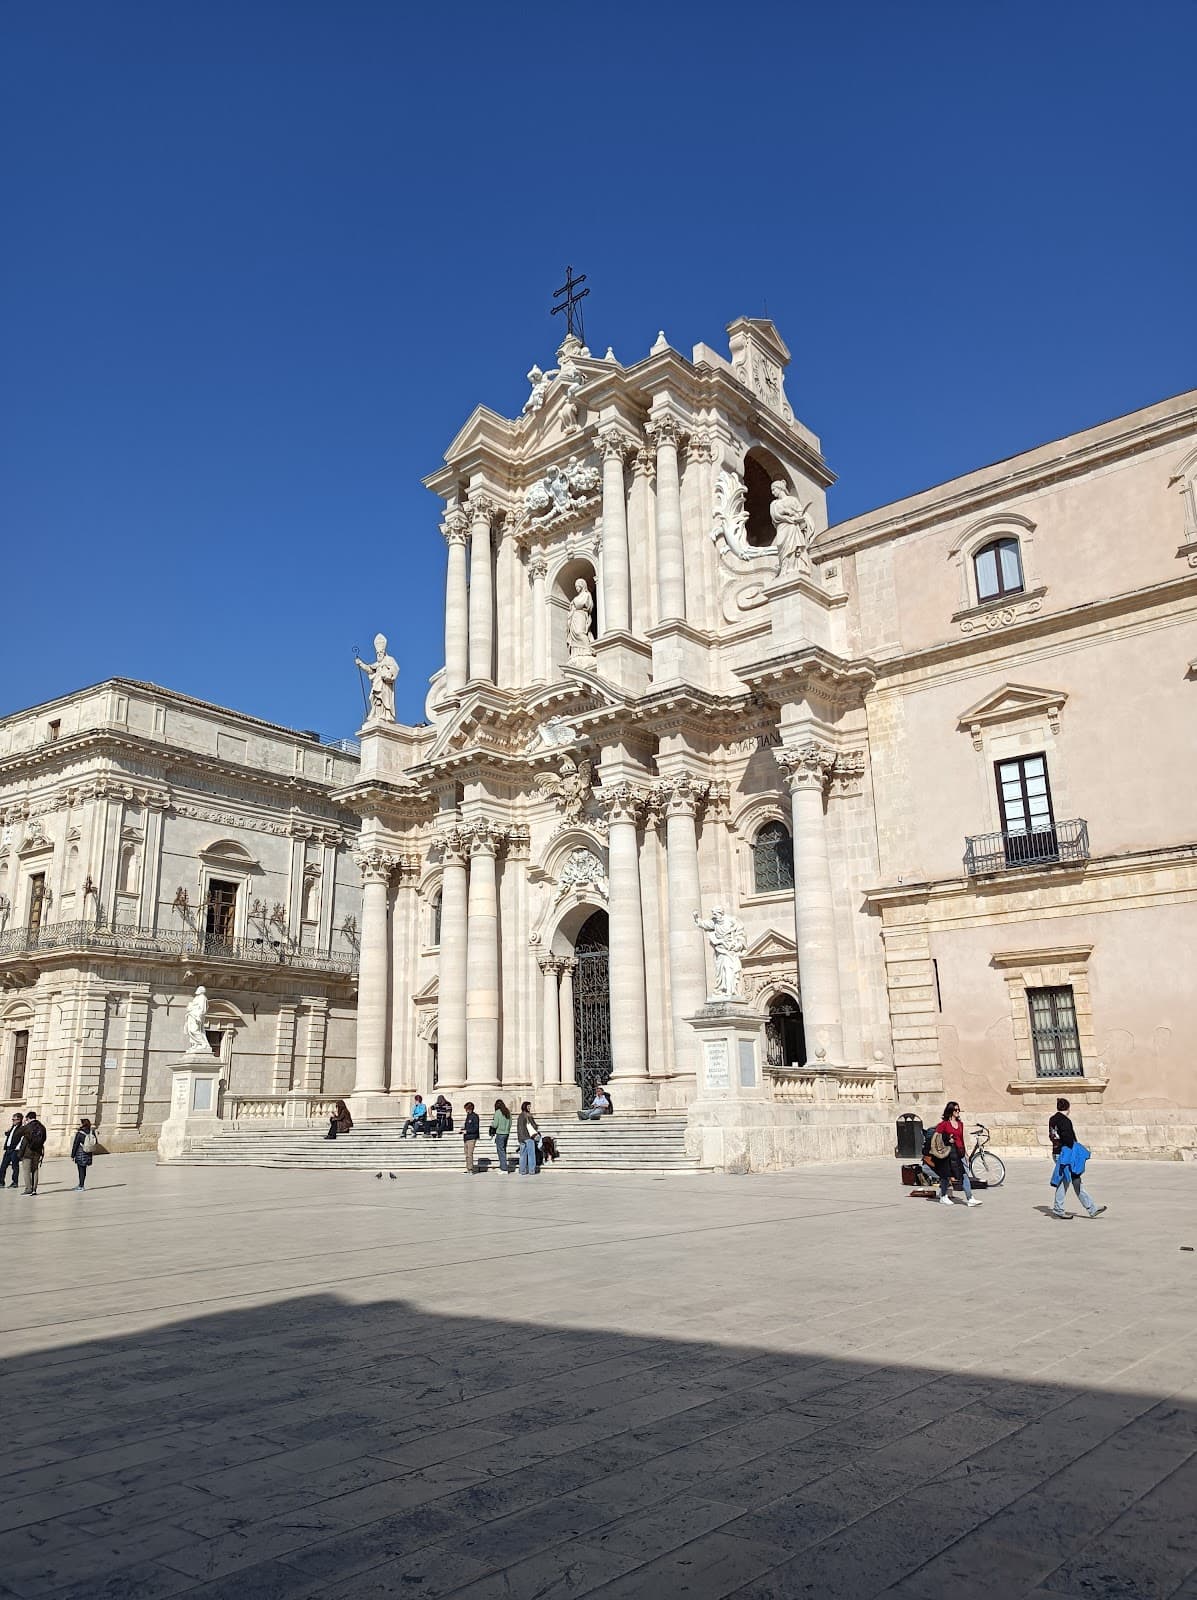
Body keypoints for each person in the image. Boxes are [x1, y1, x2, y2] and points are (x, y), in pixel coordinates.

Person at [1049, 1098, 1106, 1219]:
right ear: (1068, 1108)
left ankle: (1092, 1208)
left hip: (1056, 1152)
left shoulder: (1052, 1119)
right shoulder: (1065, 1121)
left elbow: (1052, 1135)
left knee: (1075, 1180)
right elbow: (1069, 1140)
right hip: (1066, 1155)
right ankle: (1058, 1209)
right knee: (1066, 1181)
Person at [931, 1100, 982, 1208]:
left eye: (959, 1109)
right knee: (946, 1176)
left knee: (964, 1175)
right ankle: (943, 1196)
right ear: (950, 1111)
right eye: (955, 1109)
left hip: (959, 1153)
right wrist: (947, 1140)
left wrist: (966, 1154)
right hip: (948, 1154)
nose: (958, 1111)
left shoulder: (960, 1124)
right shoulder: (943, 1124)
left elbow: (961, 1139)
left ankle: (970, 1198)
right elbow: (937, 1138)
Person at [17, 1111, 47, 1197]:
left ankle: (28, 1189)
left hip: (27, 1152)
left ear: (28, 1118)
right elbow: (44, 1139)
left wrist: (23, 1124)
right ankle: (34, 1189)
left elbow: (18, 1133)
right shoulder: (42, 1127)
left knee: (26, 1171)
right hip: (37, 1152)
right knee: (35, 1170)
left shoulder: (27, 1127)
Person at [70, 1118, 96, 1190]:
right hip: (88, 1153)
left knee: (81, 1170)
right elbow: (95, 1142)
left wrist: (73, 1155)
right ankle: (81, 1184)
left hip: (80, 1153)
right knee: (84, 1170)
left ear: (83, 1124)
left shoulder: (80, 1133)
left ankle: (81, 1186)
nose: (79, 1124)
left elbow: (75, 1144)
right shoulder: (92, 1132)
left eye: (80, 1123)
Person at [1, 1113, 24, 1189]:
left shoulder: (22, 1128)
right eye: (12, 1119)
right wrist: (7, 1132)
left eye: (14, 1119)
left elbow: (22, 1140)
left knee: (15, 1167)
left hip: (14, 1150)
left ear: (19, 1120)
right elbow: (10, 1136)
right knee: (3, 1166)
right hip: (8, 1149)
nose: (13, 1121)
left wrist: (17, 1149)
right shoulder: (13, 1127)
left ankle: (15, 1182)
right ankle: (1, 1182)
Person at [516, 1101, 540, 1176]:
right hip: (529, 1137)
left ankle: (522, 1170)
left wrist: (520, 1138)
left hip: (522, 1137)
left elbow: (519, 1128)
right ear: (525, 1106)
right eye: (528, 1106)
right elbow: (534, 1126)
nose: (529, 1108)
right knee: (531, 1154)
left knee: (523, 1155)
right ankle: (531, 1170)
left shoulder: (520, 1116)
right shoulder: (528, 1115)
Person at [490, 1100, 513, 1172]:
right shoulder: (508, 1112)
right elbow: (510, 1122)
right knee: (503, 1150)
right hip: (506, 1133)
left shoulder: (498, 1112)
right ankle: (503, 1166)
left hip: (500, 1133)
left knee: (501, 1151)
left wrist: (491, 1124)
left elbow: (495, 1124)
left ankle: (504, 1168)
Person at [462, 1102, 480, 1174]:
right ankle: (468, 1168)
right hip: (466, 1138)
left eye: (466, 1109)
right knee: (466, 1154)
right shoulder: (468, 1116)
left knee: (470, 1154)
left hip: (472, 1138)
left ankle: (470, 1169)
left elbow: (475, 1128)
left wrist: (467, 1131)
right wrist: (463, 1130)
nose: (466, 1110)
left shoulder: (475, 1116)